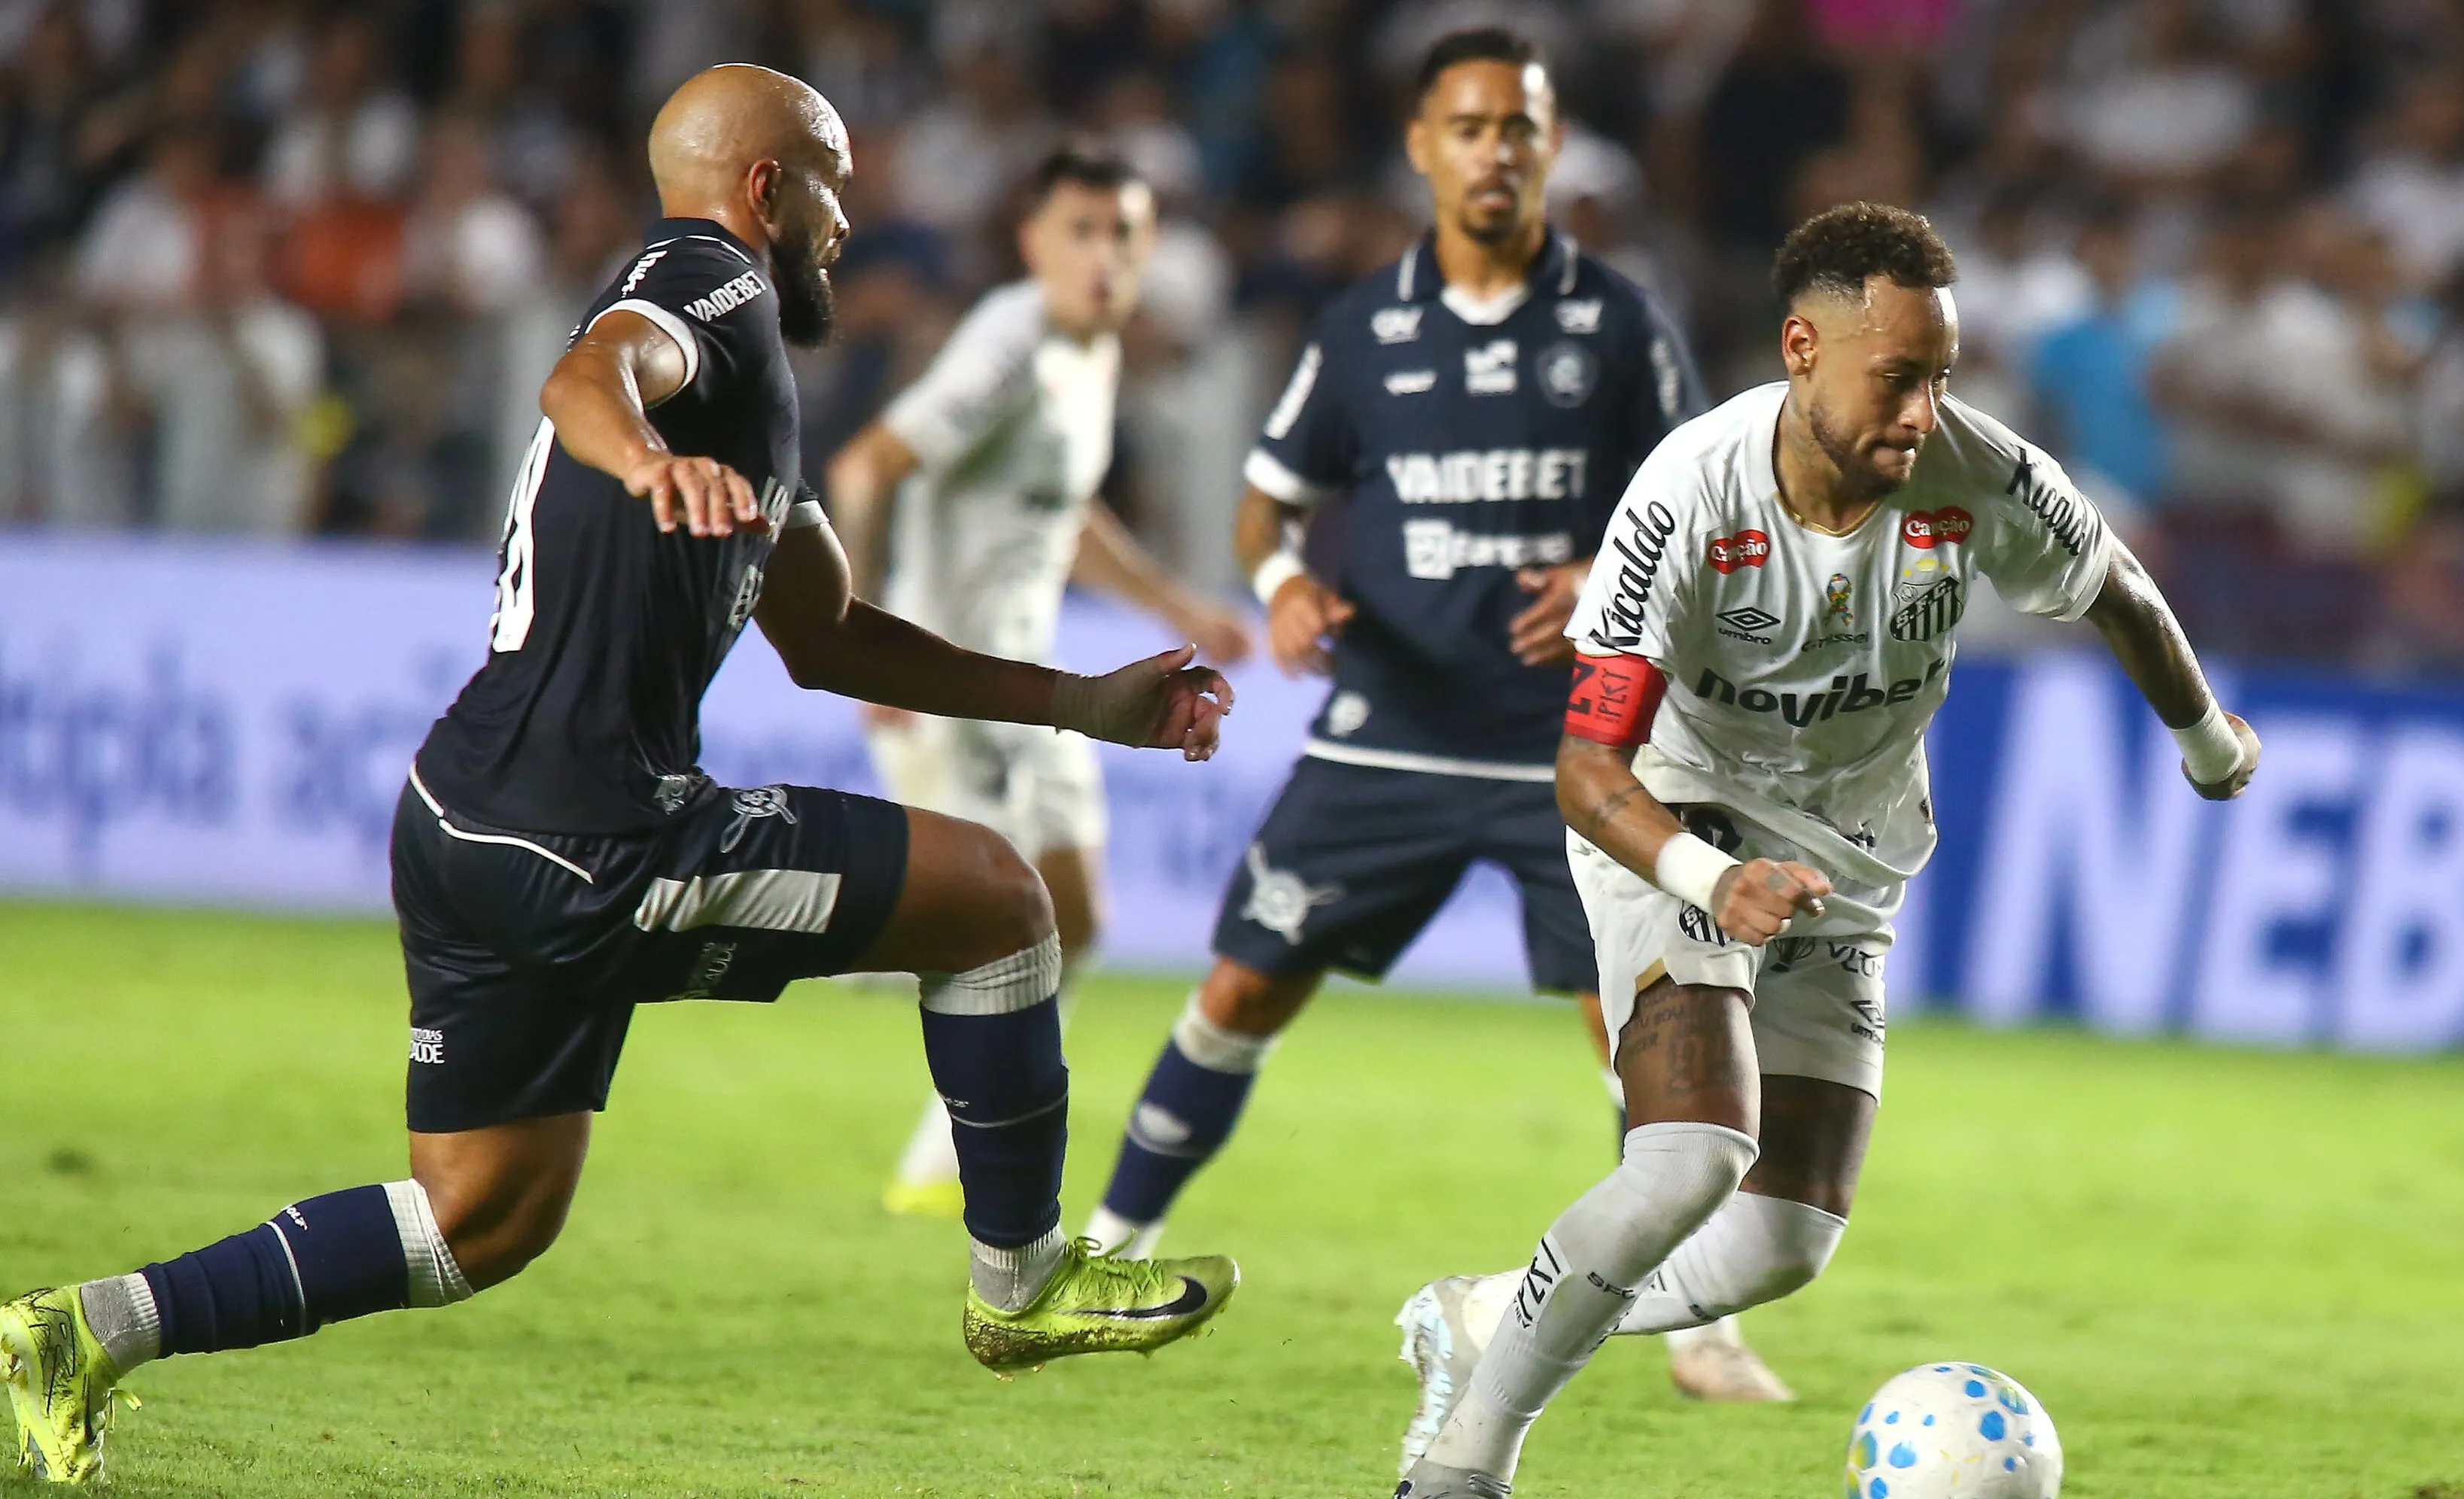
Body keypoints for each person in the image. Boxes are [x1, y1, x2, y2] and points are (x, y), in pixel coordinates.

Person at [1, 65, 1240, 1485]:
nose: (851, 216)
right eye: (835, 182)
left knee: (483, 1217)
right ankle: (1021, 1285)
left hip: (468, 811)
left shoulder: (751, 380)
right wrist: (647, 459)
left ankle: (80, 1330)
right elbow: (589, 370)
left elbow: (828, 636)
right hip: (596, 830)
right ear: (770, 188)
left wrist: (1083, 701)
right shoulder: (708, 278)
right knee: (1001, 900)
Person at [1391, 202, 2262, 1497]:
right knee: (1691, 1158)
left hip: (1850, 855)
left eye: (1939, 379)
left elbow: (2119, 593)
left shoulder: (1983, 475)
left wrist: (2206, 743)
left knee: (1781, 1246)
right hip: (1678, 822)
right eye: (1895, 378)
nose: (1920, 412)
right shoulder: (1688, 492)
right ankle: (1463, 1466)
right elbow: (1587, 772)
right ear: (1801, 348)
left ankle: (1479, 1319)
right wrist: (1707, 876)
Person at [1077, 27, 1793, 1403]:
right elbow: (1266, 499)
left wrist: (1602, 572)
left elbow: (1716, 503)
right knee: (1238, 989)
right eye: (1467, 126)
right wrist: (1283, 582)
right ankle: (1108, 1253)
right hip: (1383, 732)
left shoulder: (1621, 324)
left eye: (1518, 127)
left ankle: (1698, 1324)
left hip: (1576, 747)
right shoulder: (1362, 328)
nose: (1494, 151)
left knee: (1637, 1026)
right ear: (1422, 147)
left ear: (1546, 145)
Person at [823, 144, 1253, 1219]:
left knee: (1080, 916)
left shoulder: (1087, 351)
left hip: (1038, 681)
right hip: (954, 676)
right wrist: (859, 636)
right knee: (996, 918)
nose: (1103, 255)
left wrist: (1173, 609)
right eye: (1080, 232)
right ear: (1032, 241)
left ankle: (946, 1136)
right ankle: (956, 1147)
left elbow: (1061, 519)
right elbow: (865, 465)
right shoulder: (1009, 344)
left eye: (1123, 234)